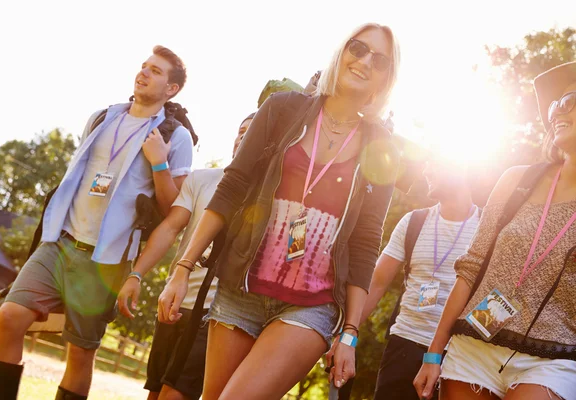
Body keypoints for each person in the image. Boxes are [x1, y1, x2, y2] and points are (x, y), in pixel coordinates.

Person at [157, 22, 401, 400]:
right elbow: (232, 187)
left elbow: (367, 240)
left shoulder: (383, 147)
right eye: (358, 48)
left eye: (380, 60)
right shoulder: (283, 110)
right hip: (241, 288)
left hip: (312, 305)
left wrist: (350, 331)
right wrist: (182, 268)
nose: (365, 61)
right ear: (342, 52)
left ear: (386, 78)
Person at [0, 46, 194, 400]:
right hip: (59, 243)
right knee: (8, 317)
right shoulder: (102, 117)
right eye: (143, 66)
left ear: (171, 88)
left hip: (105, 262)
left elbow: (172, 207)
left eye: (156, 71)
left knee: (80, 355)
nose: (143, 73)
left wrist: (158, 162)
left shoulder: (176, 137)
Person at [414, 61, 576, 400]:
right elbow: (471, 267)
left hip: (553, 359)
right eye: (554, 105)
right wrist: (433, 352)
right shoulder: (516, 180)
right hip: (474, 344)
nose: (558, 112)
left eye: (570, 100)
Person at [117, 113, 255, 400]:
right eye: (241, 130)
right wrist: (136, 274)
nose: (243, 136)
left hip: (217, 314)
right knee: (155, 393)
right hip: (176, 302)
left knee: (174, 395)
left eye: (252, 132)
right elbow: (169, 228)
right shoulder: (201, 180)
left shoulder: (268, 197)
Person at [352, 158, 480, 400]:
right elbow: (377, 282)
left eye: (435, 161)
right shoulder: (414, 221)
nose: (426, 170)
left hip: (459, 356)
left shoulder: (488, 228)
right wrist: (348, 333)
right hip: (404, 346)